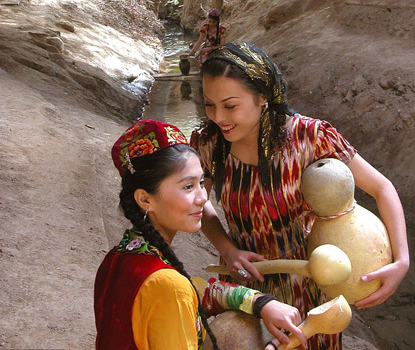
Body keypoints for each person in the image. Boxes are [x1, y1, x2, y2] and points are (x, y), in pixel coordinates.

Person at [190, 40, 410, 350]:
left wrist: (402, 260)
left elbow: (381, 188)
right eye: (209, 104)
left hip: (311, 291)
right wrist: (228, 250)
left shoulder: (310, 137)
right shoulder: (208, 143)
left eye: (230, 106)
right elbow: (198, 203)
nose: (218, 116)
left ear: (262, 96)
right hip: (247, 292)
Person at [94, 119, 308, 350]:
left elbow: (197, 290)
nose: (203, 197)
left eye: (201, 182)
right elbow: (178, 291)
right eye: (188, 186)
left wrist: (260, 302)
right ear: (145, 199)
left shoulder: (118, 257)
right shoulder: (169, 286)